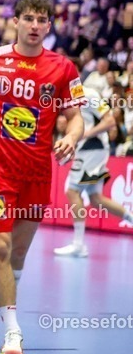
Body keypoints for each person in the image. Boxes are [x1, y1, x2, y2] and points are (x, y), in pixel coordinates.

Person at [0, 0, 85, 354]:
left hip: (37, 173)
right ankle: (13, 331)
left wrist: (72, 135)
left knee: (19, 254)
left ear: (49, 26)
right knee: (0, 248)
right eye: (29, 18)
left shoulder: (63, 68)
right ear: (17, 22)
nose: (35, 25)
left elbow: (75, 116)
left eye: (42, 20)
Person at [55, 85, 133, 257]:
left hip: (93, 147)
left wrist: (86, 134)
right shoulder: (67, 97)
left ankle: (78, 245)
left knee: (72, 191)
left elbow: (110, 121)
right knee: (96, 199)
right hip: (87, 149)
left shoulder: (88, 93)